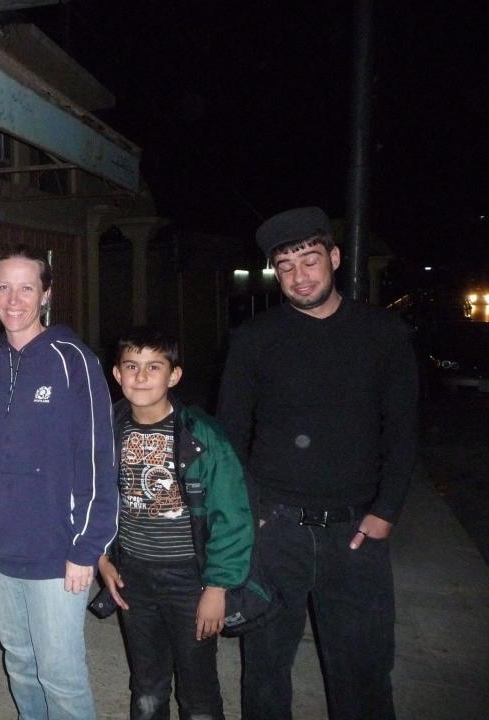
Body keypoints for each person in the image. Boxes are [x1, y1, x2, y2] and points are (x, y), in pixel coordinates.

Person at [216, 207, 419, 720]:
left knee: (364, 673)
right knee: (264, 671)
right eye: (285, 267)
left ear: (333, 257)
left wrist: (386, 510)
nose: (299, 276)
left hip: (355, 533)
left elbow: (402, 430)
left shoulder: (383, 333)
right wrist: (251, 513)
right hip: (276, 530)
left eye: (309, 260)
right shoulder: (254, 340)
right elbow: (230, 435)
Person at [0, 244, 118, 720]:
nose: (14, 300)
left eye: (26, 288)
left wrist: (87, 548)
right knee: (19, 663)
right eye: (3, 287)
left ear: (46, 294)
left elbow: (98, 459)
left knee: (61, 675)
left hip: (59, 553)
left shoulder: (74, 361)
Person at [99, 327, 253, 720]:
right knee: (146, 686)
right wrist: (102, 558)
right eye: (131, 366)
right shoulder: (106, 428)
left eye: (155, 366)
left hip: (190, 578)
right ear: (117, 374)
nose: (141, 376)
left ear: (174, 376)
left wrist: (217, 588)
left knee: (198, 688)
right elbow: (93, 498)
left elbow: (232, 516)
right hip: (133, 575)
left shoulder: (202, 435)